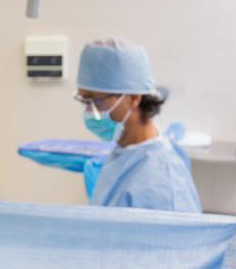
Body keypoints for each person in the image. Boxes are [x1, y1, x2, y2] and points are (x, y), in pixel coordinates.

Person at [75, 38, 202, 212]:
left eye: (96, 100)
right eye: (84, 101)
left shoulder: (163, 183)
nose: (89, 111)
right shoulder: (126, 151)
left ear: (134, 98)